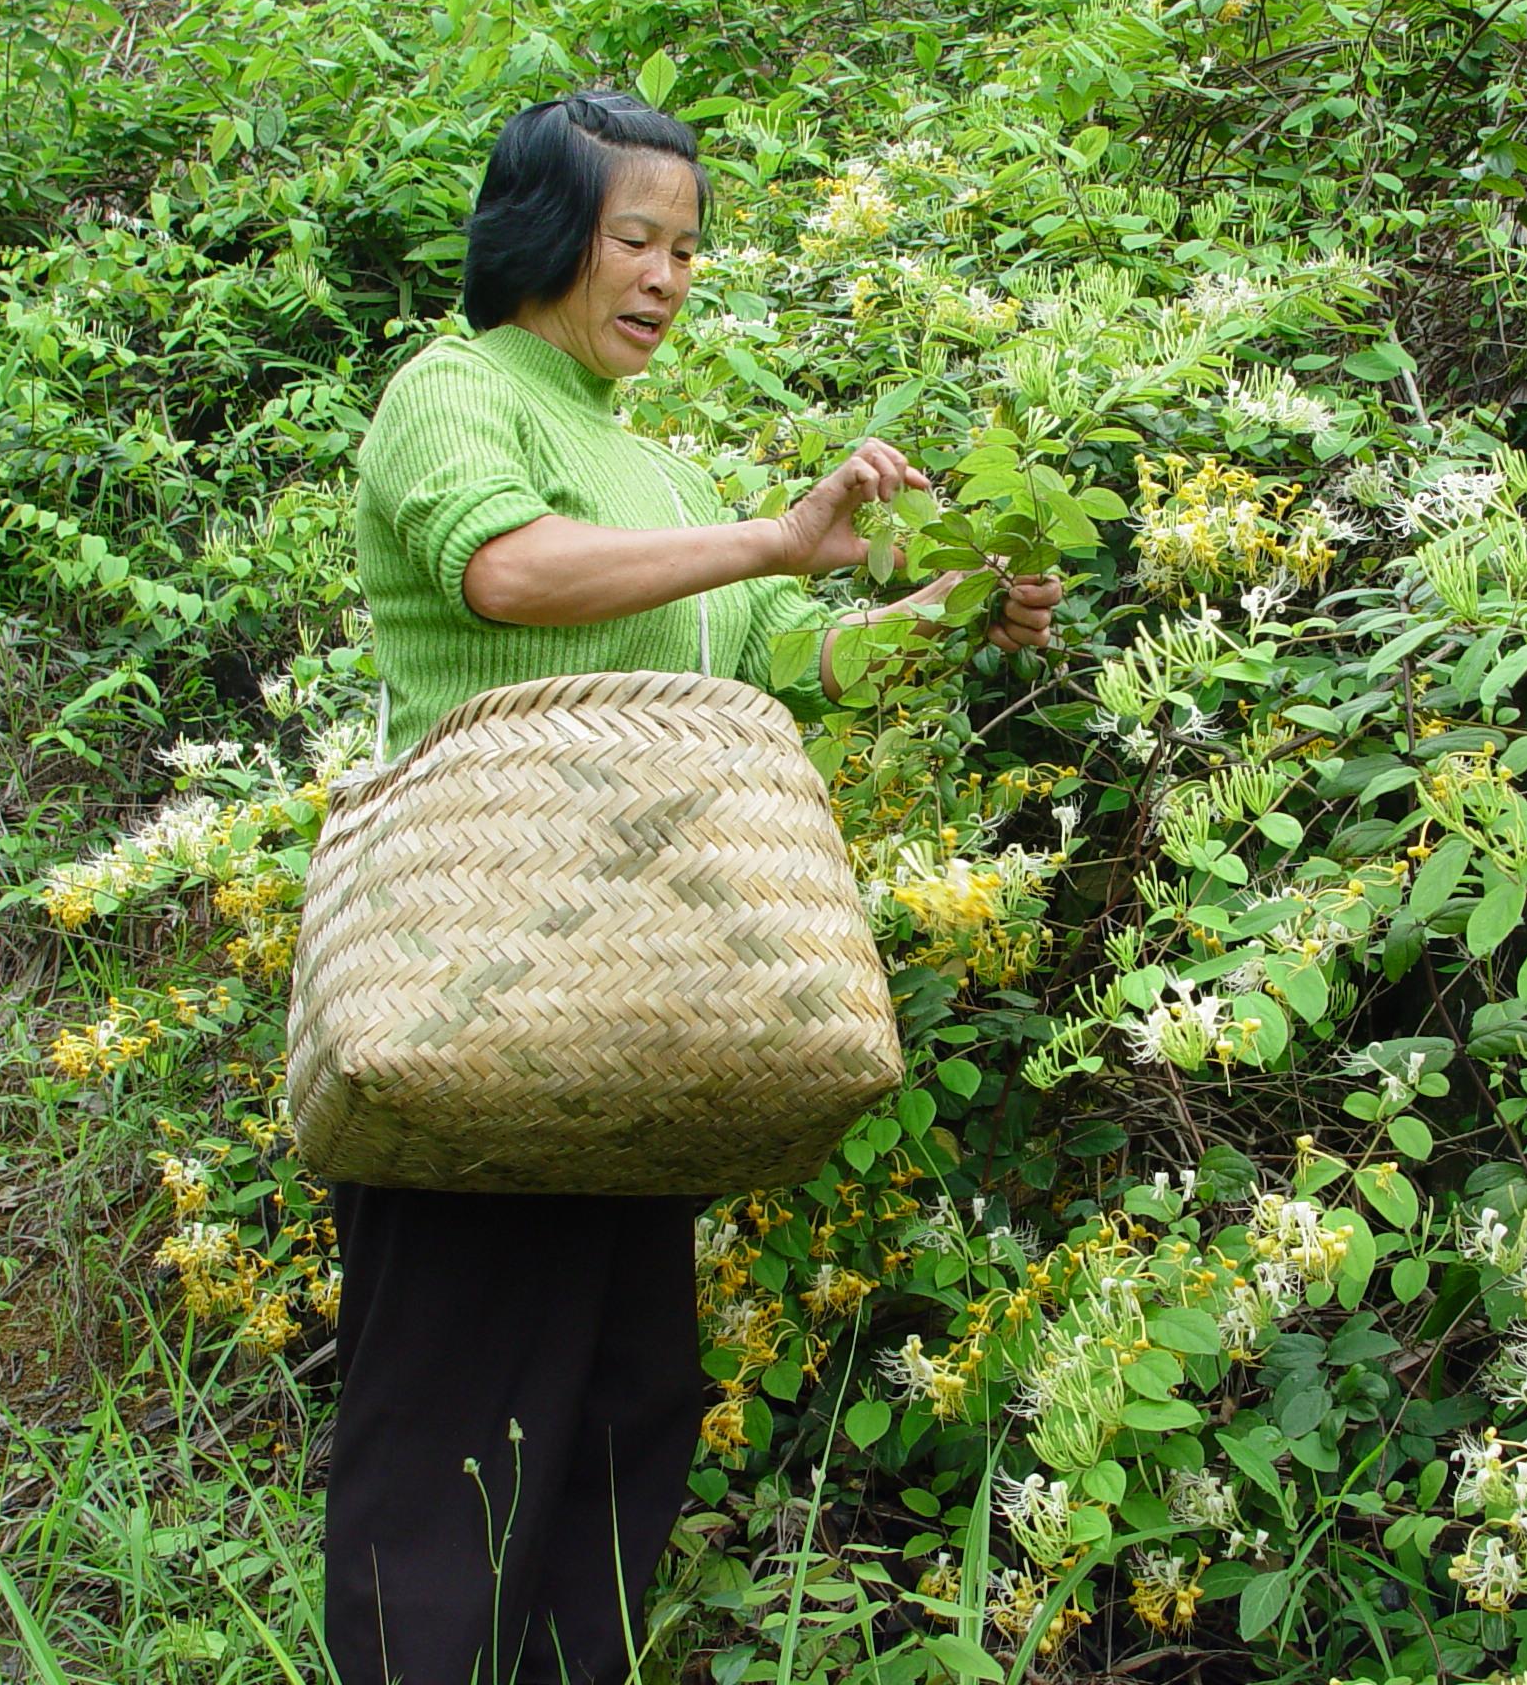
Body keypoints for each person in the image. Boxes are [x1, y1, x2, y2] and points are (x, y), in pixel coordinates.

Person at [325, 87, 1061, 1685]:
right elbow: (504, 568)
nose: (664, 277)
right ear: (544, 231)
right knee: (449, 1432)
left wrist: (951, 606)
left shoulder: (648, 468)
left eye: (685, 250)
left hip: (631, 996)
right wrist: (773, 538)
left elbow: (777, 659)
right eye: (634, 239)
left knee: (625, 1404)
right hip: (470, 986)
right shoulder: (453, 392)